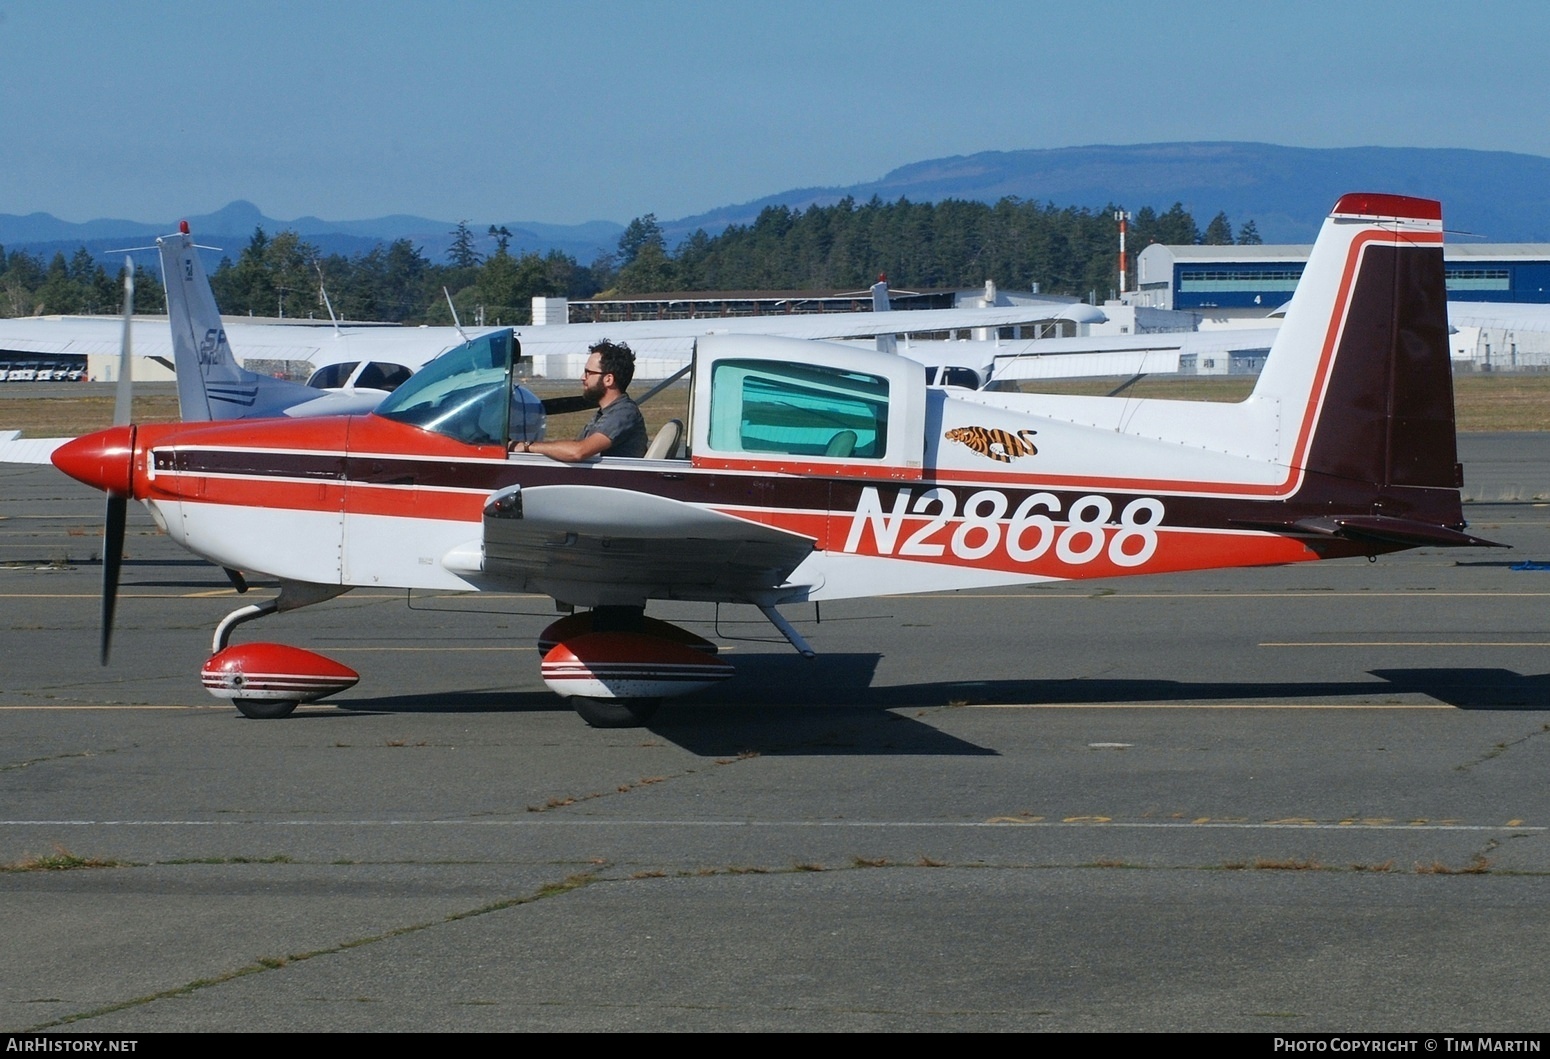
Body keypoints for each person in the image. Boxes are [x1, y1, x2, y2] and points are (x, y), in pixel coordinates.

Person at [517, 339, 647, 460]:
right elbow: (577, 446)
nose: (582, 377)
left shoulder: (623, 413)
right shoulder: (606, 412)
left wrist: (527, 446)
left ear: (608, 379)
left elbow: (578, 452)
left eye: (588, 373)